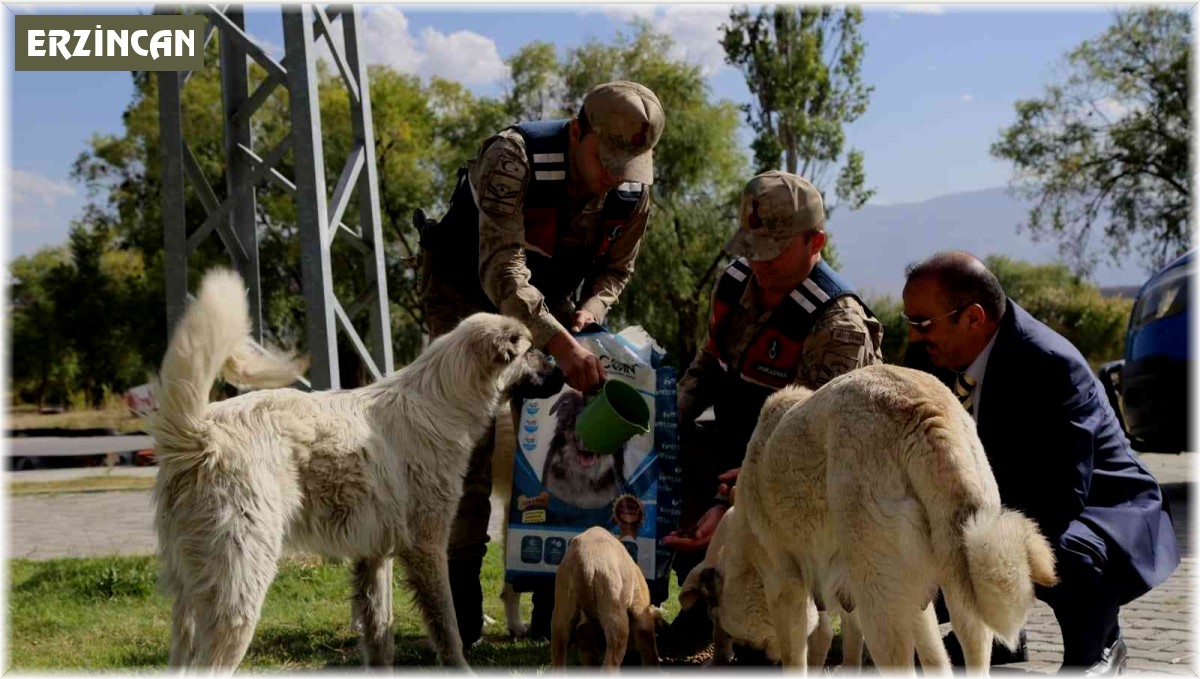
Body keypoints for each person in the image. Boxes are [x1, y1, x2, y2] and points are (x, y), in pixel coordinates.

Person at [414, 80, 666, 647]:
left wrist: (588, 315)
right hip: (467, 296)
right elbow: (502, 270)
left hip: (552, 306)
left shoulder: (632, 189)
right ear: (578, 132)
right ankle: (458, 607)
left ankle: (559, 590)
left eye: (629, 165)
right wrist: (558, 340)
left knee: (561, 434)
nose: (616, 176)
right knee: (470, 446)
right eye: (606, 161)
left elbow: (616, 271)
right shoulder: (513, 158)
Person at [901, 251, 1180, 676]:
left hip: (1100, 504)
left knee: (1048, 549)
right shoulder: (928, 358)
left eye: (922, 323)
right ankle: (998, 636)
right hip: (1008, 496)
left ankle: (1101, 645)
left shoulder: (1049, 363)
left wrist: (981, 548)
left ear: (973, 318)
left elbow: (1062, 492)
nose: (914, 336)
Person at [658, 170, 885, 654]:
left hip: (807, 472)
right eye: (750, 245)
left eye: (773, 249)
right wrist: (663, 426)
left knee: (751, 524)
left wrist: (730, 502)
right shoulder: (736, 281)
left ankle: (768, 631)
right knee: (667, 459)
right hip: (739, 444)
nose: (757, 261)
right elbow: (709, 362)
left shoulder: (837, 324)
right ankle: (702, 608)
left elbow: (815, 447)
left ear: (815, 241)